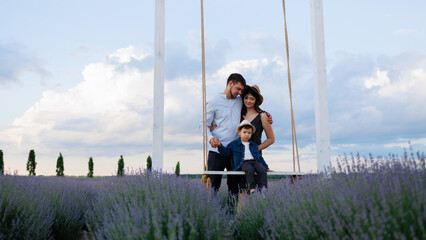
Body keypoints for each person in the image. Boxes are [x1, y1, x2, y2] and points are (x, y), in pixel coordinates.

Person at [201, 73, 247, 196]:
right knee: (213, 188)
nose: (239, 92)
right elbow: (203, 125)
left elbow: (253, 95)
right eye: (238, 89)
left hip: (234, 152)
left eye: (241, 90)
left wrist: (266, 115)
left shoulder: (240, 101)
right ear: (230, 84)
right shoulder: (213, 102)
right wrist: (210, 139)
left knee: (234, 189)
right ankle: (212, 214)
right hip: (216, 151)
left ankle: (231, 215)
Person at [217, 120, 270, 193]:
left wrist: (266, 167)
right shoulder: (234, 144)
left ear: (251, 134)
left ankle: (263, 187)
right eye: (244, 132)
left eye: (249, 133)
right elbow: (226, 153)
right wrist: (220, 146)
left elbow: (259, 157)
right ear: (239, 132)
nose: (247, 134)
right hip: (243, 162)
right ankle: (251, 187)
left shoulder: (253, 145)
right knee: (250, 169)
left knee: (262, 169)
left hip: (254, 161)